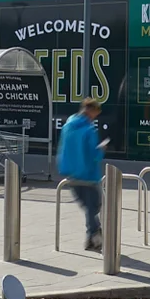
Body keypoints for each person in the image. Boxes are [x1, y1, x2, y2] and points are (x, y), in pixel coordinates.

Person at [58, 97, 106, 251]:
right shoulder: (89, 130)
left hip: (71, 174)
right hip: (89, 175)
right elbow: (94, 155)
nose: (95, 117)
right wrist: (102, 149)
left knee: (88, 207)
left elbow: (63, 148)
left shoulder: (68, 126)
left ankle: (92, 237)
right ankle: (94, 235)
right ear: (90, 111)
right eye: (95, 113)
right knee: (95, 205)